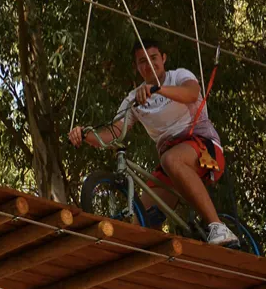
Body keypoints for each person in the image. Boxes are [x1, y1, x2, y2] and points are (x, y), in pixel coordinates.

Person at [68, 39, 238, 247]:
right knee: (140, 222)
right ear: (136, 67)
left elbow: (192, 93)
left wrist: (157, 89)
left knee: (170, 159)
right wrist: (84, 135)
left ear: (163, 58)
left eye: (153, 58)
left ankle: (217, 226)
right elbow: (114, 133)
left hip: (203, 147)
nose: (149, 64)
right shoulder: (134, 99)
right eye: (142, 61)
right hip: (171, 162)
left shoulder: (179, 76)